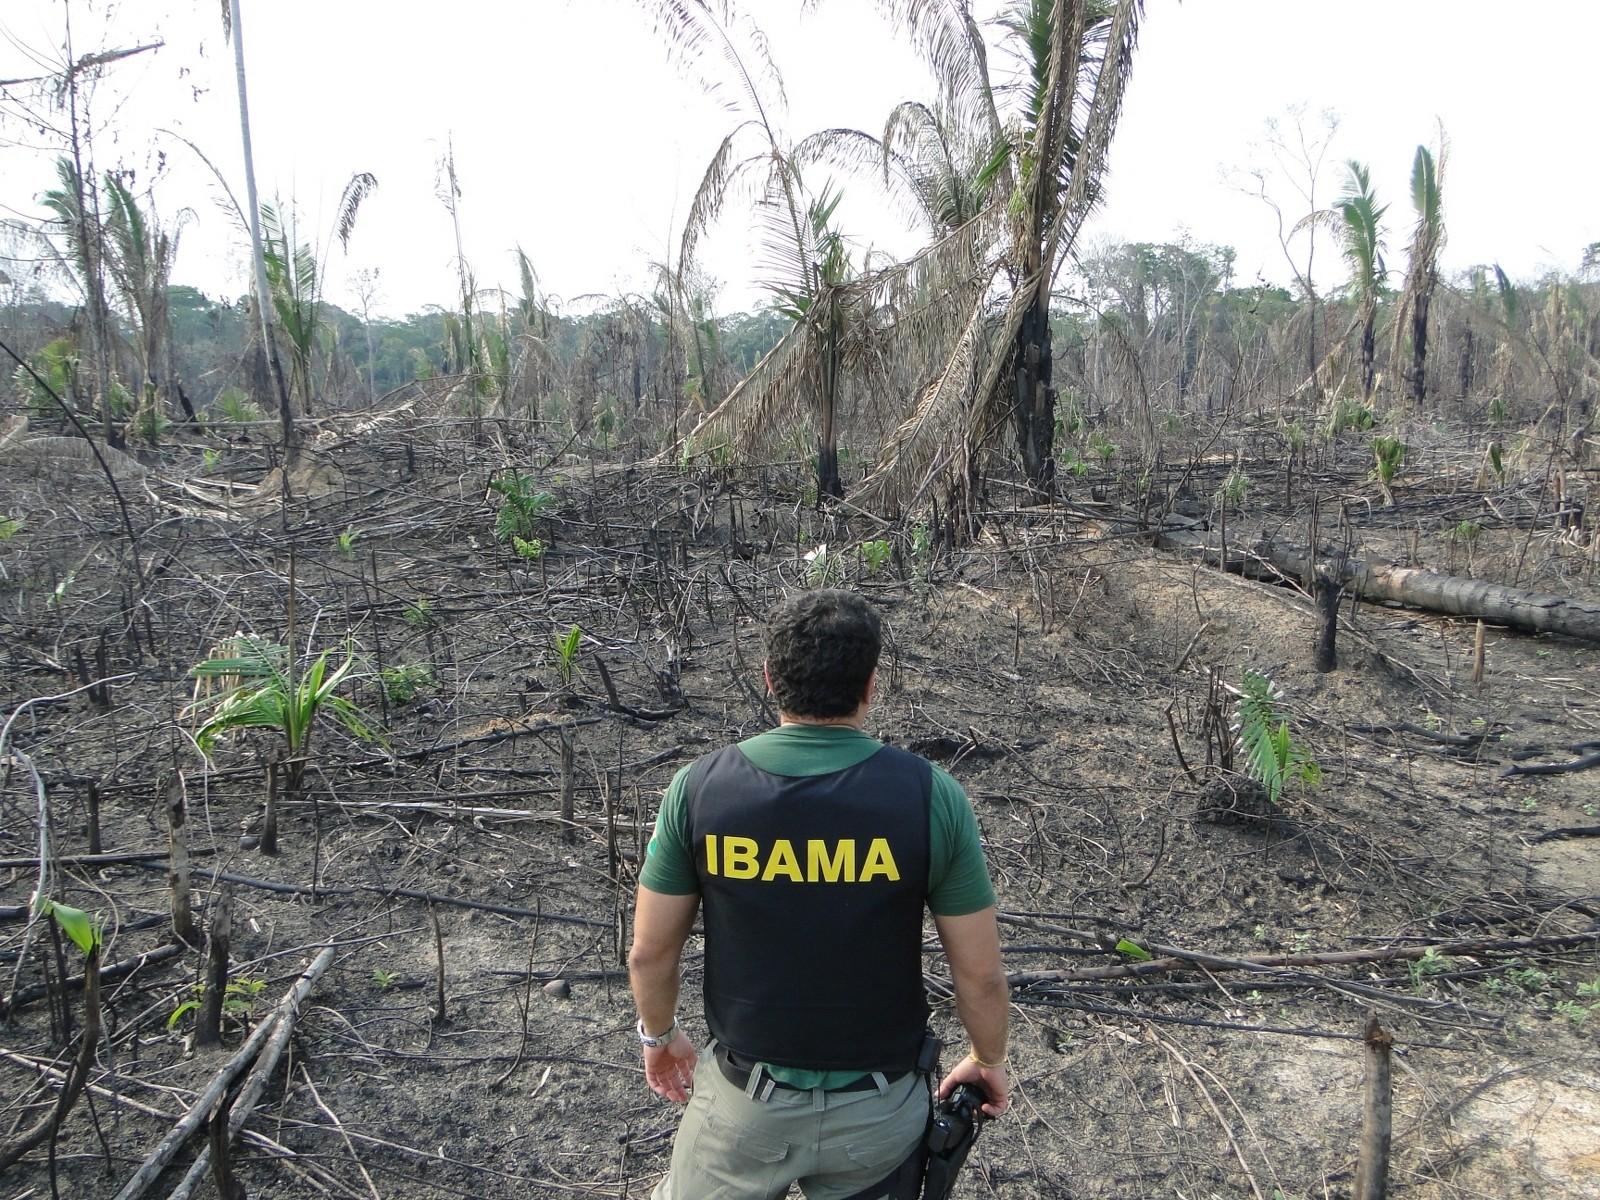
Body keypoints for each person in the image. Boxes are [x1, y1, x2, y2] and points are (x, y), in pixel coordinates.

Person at [628, 589, 1010, 1200]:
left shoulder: (698, 790)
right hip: (880, 1112)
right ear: (870, 685)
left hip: (744, 1105)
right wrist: (988, 1058)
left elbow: (649, 953)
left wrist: (658, 1035)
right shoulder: (929, 795)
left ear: (769, 680)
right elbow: (981, 975)